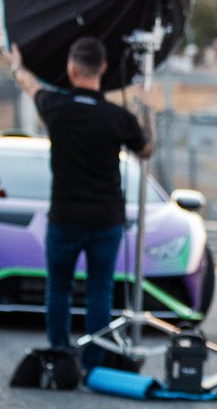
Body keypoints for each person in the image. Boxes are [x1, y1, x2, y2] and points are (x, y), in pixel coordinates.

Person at [3, 38, 152, 372]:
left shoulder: (56, 108)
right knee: (100, 291)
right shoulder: (116, 117)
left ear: (71, 69)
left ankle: (60, 356)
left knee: (59, 288)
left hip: (65, 217)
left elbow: (29, 84)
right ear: (103, 69)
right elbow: (146, 150)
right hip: (105, 219)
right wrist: (147, 107)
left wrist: (17, 63)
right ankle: (93, 362)